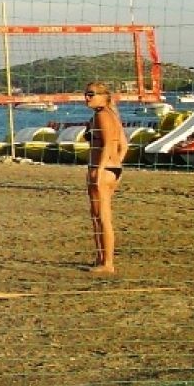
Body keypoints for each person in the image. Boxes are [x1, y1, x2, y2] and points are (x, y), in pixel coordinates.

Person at [84, 81, 129, 276]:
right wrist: (117, 164)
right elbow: (124, 145)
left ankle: (108, 263)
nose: (87, 97)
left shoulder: (103, 115)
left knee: (103, 217)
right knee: (96, 216)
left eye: (91, 94)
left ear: (104, 96)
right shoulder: (111, 115)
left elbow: (110, 143)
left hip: (102, 170)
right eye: (86, 94)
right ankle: (101, 258)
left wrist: (102, 169)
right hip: (109, 169)